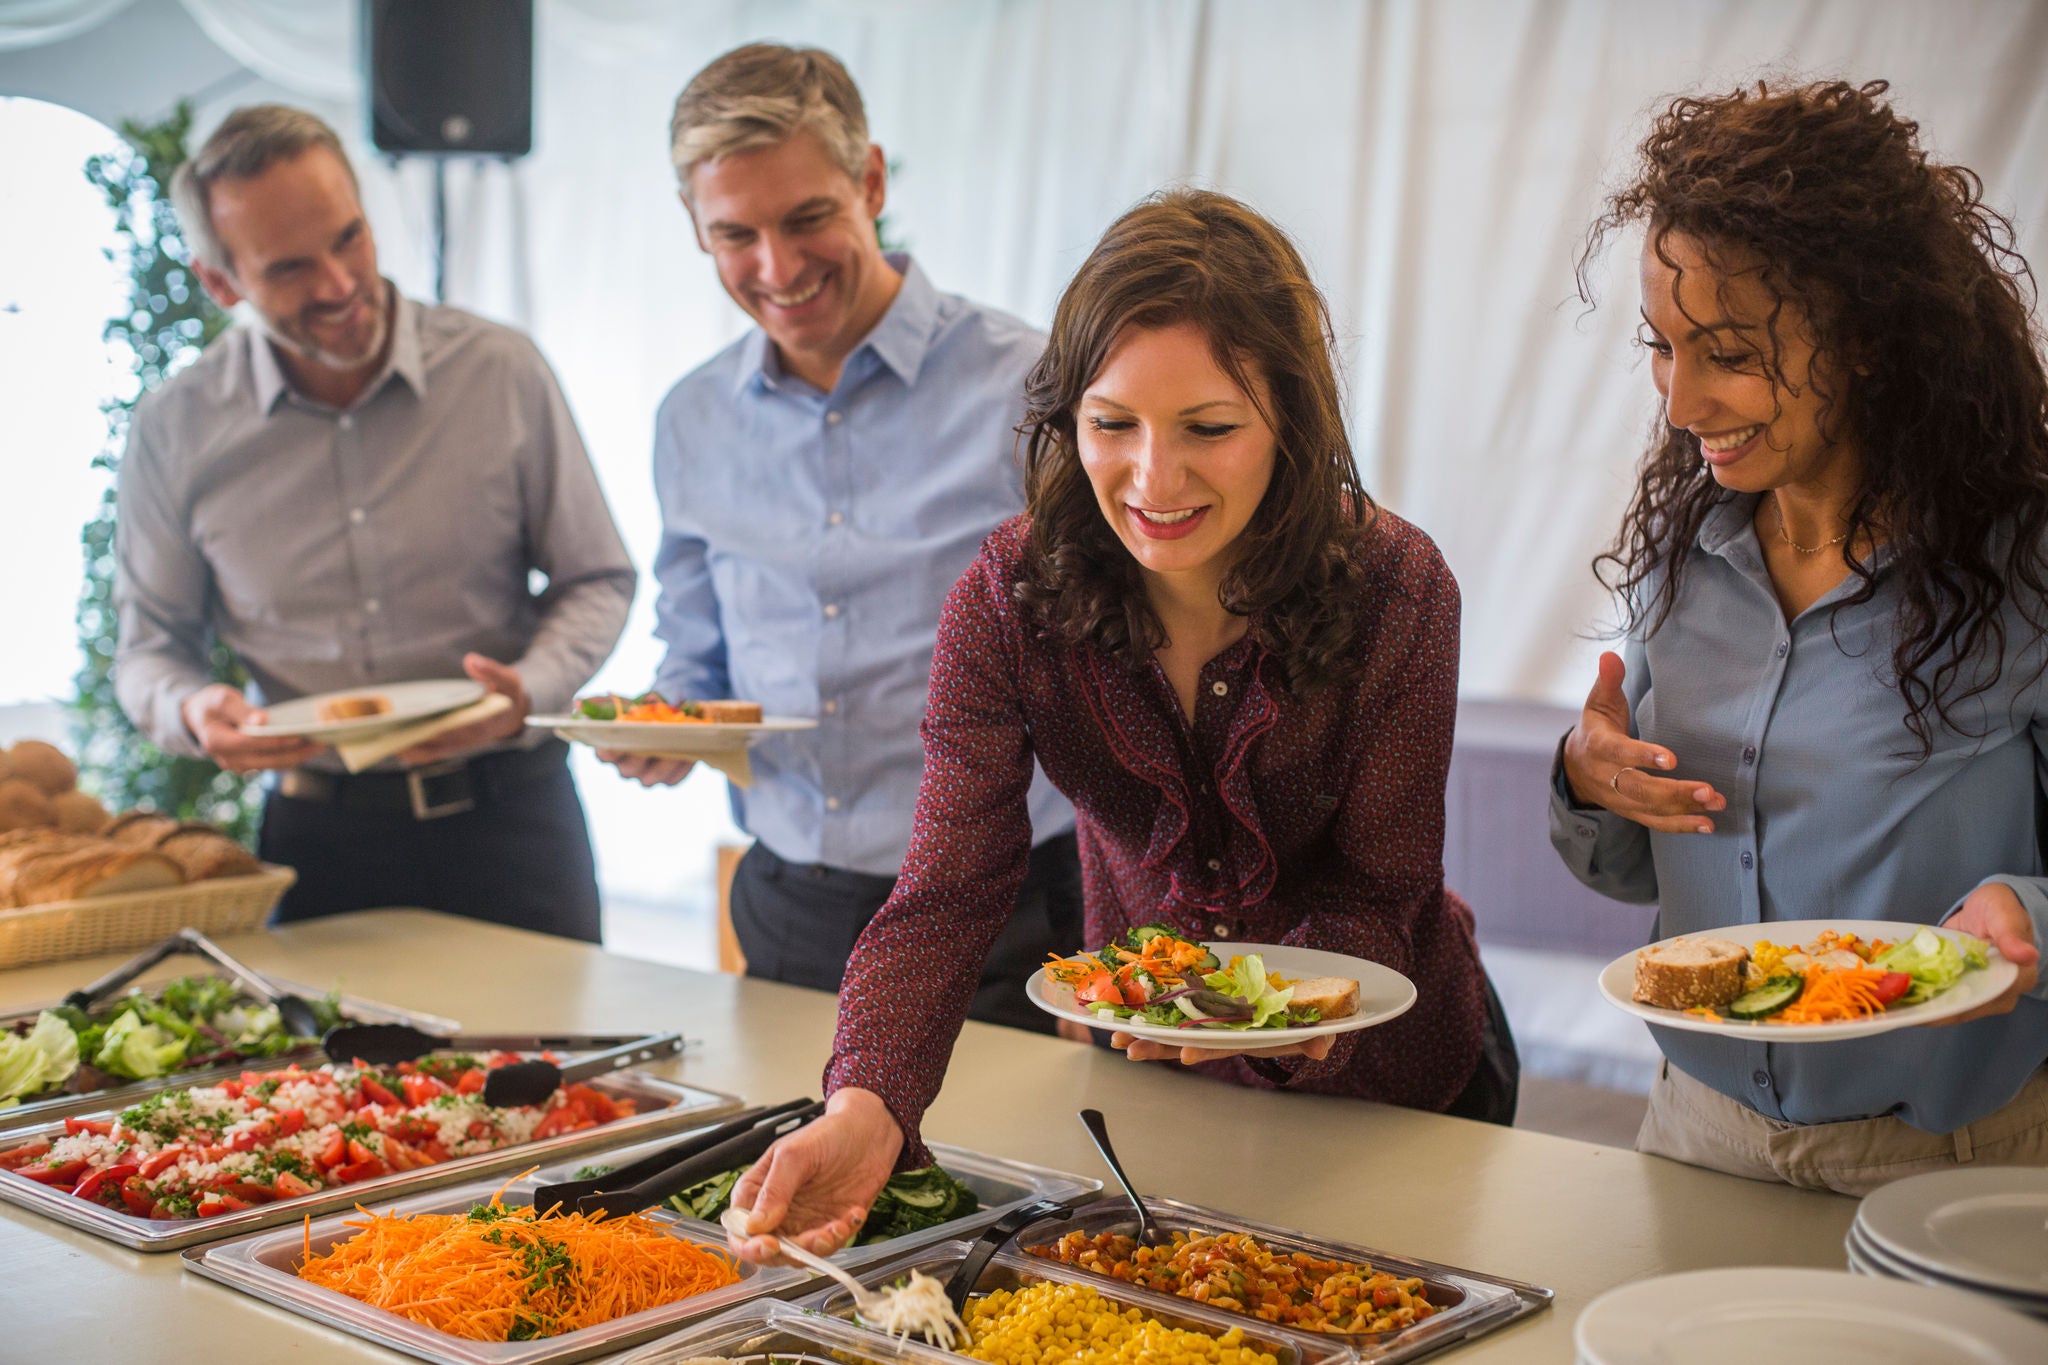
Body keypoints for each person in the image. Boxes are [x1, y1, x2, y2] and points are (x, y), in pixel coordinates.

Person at [725, 188, 1518, 1259]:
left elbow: (1379, 890)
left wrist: (1248, 1017)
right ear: (1066, 419)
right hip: (1151, 1083)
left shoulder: (1397, 584)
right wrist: (867, 1101)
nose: (1154, 478)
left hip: (1392, 1083)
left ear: (1289, 418)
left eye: (1209, 428)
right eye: (1111, 425)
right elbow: (948, 888)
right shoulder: (1008, 596)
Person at [1551, 80, 2048, 1193]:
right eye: (1660, 346)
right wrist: (1591, 782)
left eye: (1726, 352)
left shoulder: (2021, 567)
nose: (1679, 403)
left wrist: (2032, 918)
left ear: (1865, 339)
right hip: (1693, 1140)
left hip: (1949, 1165)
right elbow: (1644, 876)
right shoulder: (1684, 555)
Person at [602, 43, 1082, 1028]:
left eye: (807, 218)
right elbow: (695, 654)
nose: (775, 269)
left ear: (868, 180)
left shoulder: (1030, 385)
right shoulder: (688, 419)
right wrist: (663, 725)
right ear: (695, 228)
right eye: (735, 233)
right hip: (791, 907)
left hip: (1006, 903)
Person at [113, 105, 633, 942]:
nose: (339, 284)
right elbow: (147, 650)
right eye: (289, 268)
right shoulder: (175, 428)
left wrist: (528, 689)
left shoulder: (501, 370)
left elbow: (595, 577)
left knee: (565, 1073)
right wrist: (192, 708)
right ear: (222, 283)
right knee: (331, 1080)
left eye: (348, 238)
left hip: (513, 821)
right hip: (322, 844)